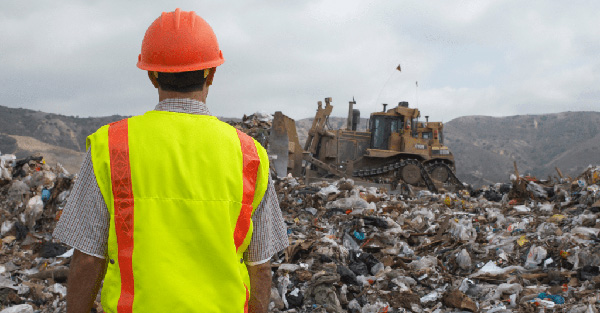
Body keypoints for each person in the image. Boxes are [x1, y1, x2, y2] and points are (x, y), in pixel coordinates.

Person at [53, 8, 288, 313]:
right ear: (211, 73)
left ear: (152, 75)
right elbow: (260, 267)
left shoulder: (112, 146)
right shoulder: (249, 155)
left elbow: (87, 258)